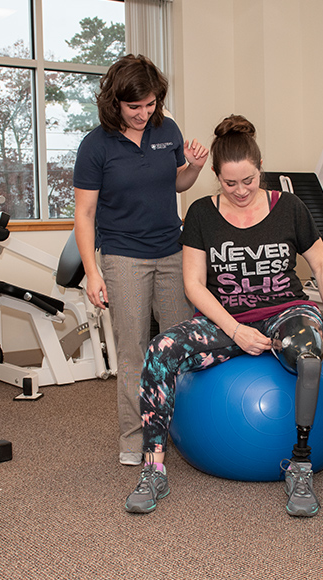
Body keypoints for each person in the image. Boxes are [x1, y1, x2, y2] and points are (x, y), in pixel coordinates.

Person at [124, 115, 323, 518]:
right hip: (227, 319)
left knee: (309, 354)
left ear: (261, 171)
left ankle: (301, 466)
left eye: (249, 181)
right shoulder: (202, 213)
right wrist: (235, 329)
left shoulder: (289, 207)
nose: (241, 191)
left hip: (285, 312)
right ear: (215, 176)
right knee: (159, 351)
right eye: (230, 183)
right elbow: (194, 285)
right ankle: (153, 469)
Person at [73, 55, 209, 467]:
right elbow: (84, 214)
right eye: (135, 107)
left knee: (180, 347)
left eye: (150, 105)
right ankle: (135, 441)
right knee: (133, 353)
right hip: (123, 257)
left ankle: (185, 434)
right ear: (115, 102)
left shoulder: (167, 130)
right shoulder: (95, 145)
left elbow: (178, 181)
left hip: (172, 251)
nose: (143, 114)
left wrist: (197, 166)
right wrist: (92, 271)